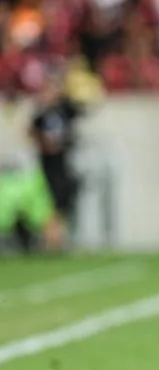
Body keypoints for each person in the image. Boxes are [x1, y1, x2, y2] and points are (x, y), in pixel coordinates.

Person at [27, 77, 82, 252]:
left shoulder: (63, 110)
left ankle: (56, 238)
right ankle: (51, 240)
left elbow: (76, 111)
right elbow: (31, 131)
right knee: (51, 200)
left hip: (62, 161)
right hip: (48, 163)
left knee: (64, 199)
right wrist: (44, 144)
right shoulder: (41, 114)